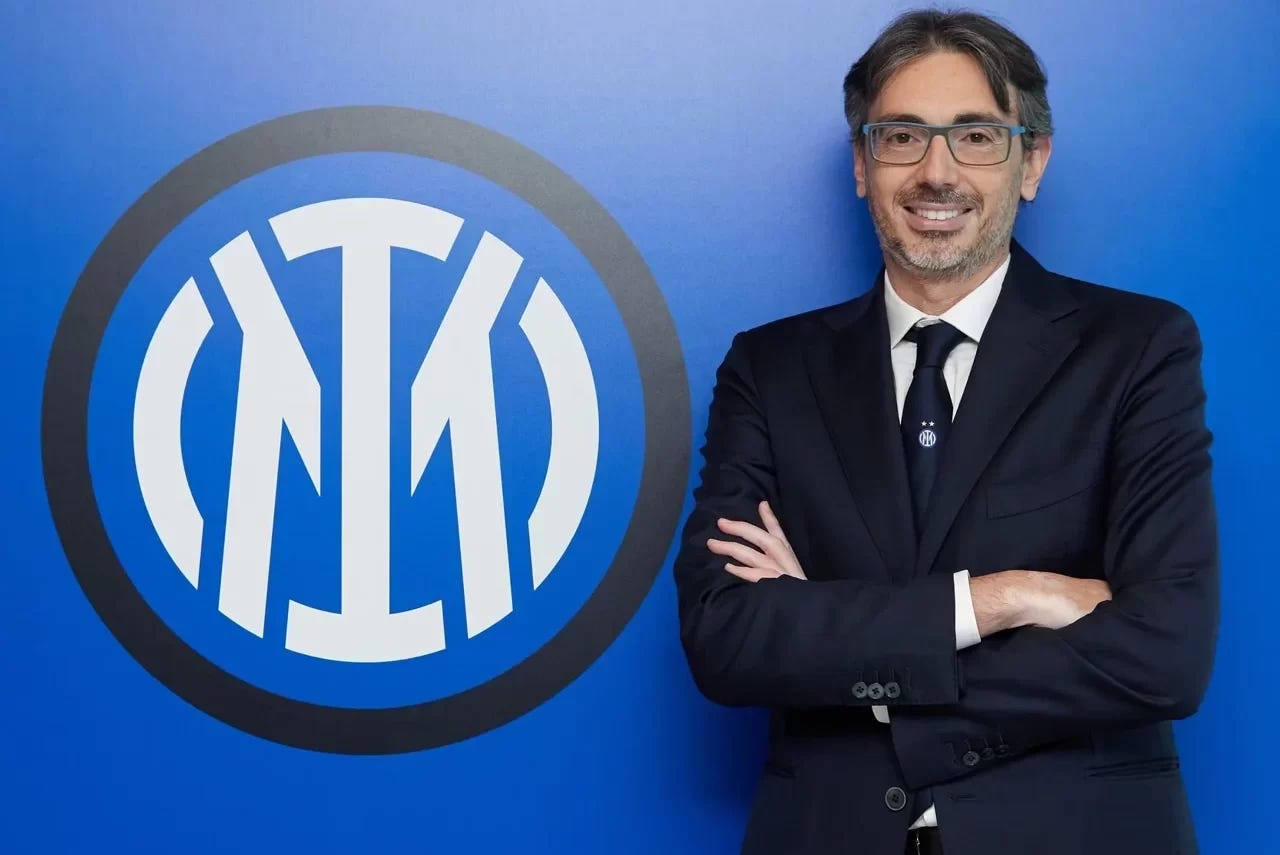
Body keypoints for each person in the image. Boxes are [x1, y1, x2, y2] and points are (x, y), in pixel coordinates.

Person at [673, 9, 1219, 855]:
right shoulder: (770, 369)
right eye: (902, 137)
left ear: (1031, 163)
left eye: (975, 136)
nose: (937, 172)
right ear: (862, 165)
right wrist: (1001, 598)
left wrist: (851, 657)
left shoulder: (1139, 350)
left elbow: (1165, 651)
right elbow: (728, 636)